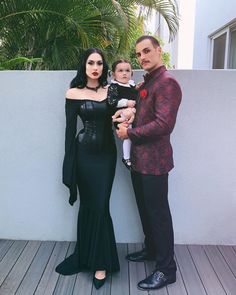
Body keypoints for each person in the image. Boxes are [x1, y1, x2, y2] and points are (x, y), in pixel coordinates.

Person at [116, 35, 182, 291]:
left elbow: (165, 124)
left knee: (159, 215)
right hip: (139, 162)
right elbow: (143, 112)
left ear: (158, 50)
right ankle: (152, 249)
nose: (142, 57)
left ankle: (167, 270)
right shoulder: (148, 83)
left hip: (155, 163)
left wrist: (129, 134)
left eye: (146, 51)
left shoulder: (167, 83)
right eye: (138, 54)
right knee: (145, 211)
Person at [55, 48, 120, 289]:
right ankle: (86, 255)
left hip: (106, 157)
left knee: (101, 206)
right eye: (91, 62)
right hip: (83, 156)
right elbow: (69, 131)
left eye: (100, 63)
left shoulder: (111, 91)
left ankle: (101, 263)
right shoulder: (73, 92)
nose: (95, 67)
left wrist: (128, 113)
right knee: (89, 205)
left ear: (104, 67)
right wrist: (68, 162)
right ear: (84, 65)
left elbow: (119, 118)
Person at [107, 59, 138, 170]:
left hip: (132, 115)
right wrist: (126, 102)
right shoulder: (114, 87)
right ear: (114, 74)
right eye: (120, 70)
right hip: (120, 116)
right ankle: (126, 157)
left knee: (135, 133)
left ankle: (133, 156)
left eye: (127, 70)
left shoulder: (132, 86)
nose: (124, 73)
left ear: (131, 73)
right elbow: (111, 101)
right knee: (128, 135)